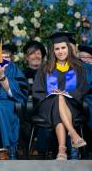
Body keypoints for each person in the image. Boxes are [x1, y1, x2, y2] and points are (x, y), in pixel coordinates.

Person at [32, 32, 88, 161]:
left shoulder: (78, 68)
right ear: (53, 51)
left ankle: (61, 150)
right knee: (57, 99)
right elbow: (37, 91)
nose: (60, 51)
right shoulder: (45, 68)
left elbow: (83, 88)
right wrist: (53, 95)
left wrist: (67, 94)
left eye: (63, 48)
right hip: (47, 105)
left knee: (61, 99)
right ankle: (74, 134)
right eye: (57, 49)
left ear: (68, 48)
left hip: (72, 104)